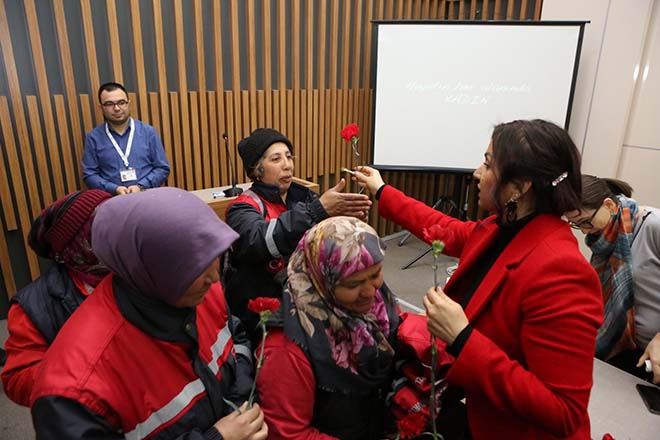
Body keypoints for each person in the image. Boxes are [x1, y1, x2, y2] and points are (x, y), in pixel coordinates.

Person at [353, 119, 603, 439]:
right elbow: (442, 227)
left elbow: (563, 412)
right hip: (480, 410)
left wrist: (463, 338)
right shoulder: (500, 229)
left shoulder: (562, 272)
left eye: (487, 164)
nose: (476, 173)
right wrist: (382, 190)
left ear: (520, 187)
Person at [30, 187, 268, 440]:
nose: (214, 277)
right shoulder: (73, 391)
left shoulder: (201, 292)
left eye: (215, 254)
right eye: (194, 265)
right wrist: (217, 438)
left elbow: (236, 337)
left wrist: (241, 402)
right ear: (148, 267)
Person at [256, 216, 400, 440]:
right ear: (322, 280)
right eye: (353, 284)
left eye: (375, 274)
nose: (370, 292)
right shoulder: (287, 348)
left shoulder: (378, 301)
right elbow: (288, 434)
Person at [224, 128, 372, 335]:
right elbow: (257, 241)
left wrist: (347, 223)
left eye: (289, 157)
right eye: (276, 159)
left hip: (309, 294)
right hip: (267, 309)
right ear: (257, 170)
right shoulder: (242, 207)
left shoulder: (305, 197)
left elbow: (324, 242)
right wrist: (316, 211)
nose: (287, 165)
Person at [2, 189, 111, 407]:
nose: (119, 234)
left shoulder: (138, 274)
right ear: (77, 242)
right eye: (104, 228)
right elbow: (17, 380)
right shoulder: (32, 305)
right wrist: (90, 373)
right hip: (87, 413)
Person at [565, 175, 660, 383]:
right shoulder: (604, 239)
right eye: (576, 225)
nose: (584, 231)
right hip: (631, 354)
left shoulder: (653, 225)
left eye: (586, 222)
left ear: (608, 205)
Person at [82, 82, 170, 195]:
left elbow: (162, 168)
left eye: (121, 102)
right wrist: (114, 188)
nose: (116, 108)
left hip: (146, 196)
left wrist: (141, 186)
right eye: (109, 104)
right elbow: (89, 175)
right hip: (112, 199)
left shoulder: (148, 132)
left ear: (128, 103)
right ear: (101, 108)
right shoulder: (93, 137)